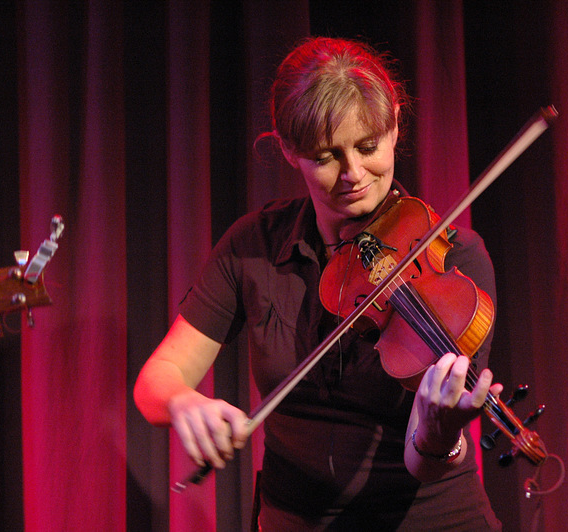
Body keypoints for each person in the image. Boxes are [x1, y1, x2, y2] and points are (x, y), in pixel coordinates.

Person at [134, 36, 502, 531]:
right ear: (288, 150)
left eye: (368, 147)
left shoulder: (453, 260)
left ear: (394, 123)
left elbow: (427, 462)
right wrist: (184, 403)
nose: (353, 174)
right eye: (326, 156)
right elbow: (157, 380)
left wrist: (437, 433)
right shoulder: (256, 245)